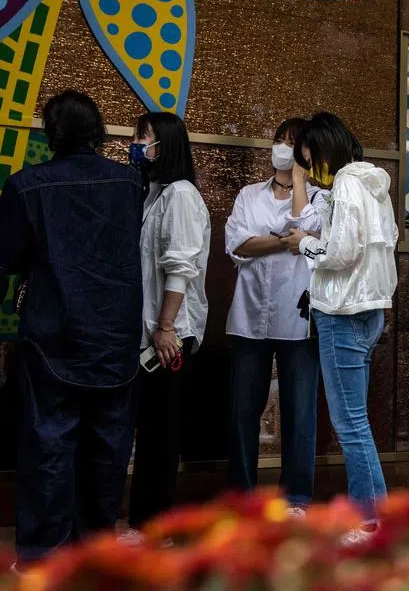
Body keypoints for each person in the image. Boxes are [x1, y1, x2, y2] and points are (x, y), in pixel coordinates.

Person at [1, 92, 143, 567]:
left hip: (52, 335)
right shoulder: (129, 183)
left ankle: (44, 554)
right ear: (98, 130)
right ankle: (97, 549)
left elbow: (7, 257)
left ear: (51, 131)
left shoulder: (26, 186)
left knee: (48, 446)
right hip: (116, 337)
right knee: (107, 448)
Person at [282, 113, 397, 543]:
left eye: (310, 161)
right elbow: (384, 241)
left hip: (342, 310)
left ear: (323, 152)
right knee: (357, 421)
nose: (311, 170)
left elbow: (341, 252)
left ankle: (370, 520)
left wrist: (304, 244)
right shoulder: (374, 184)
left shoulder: (348, 183)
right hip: (371, 310)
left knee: (350, 424)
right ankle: (374, 515)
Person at [224, 118, 325, 514]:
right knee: (242, 411)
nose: (282, 148)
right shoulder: (249, 195)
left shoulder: (321, 197)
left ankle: (296, 498)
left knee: (300, 412)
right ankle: (242, 496)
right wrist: (287, 241)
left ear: (305, 152)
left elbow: (314, 238)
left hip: (298, 317)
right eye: (278, 141)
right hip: (249, 317)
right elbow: (239, 245)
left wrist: (283, 238)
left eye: (291, 143)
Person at [127, 111, 211, 530]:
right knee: (152, 429)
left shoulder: (180, 195)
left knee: (162, 434)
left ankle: (156, 527)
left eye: (145, 136)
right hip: (151, 333)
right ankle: (145, 521)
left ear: (167, 143)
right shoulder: (153, 192)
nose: (138, 142)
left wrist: (166, 327)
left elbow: (180, 267)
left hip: (170, 334)